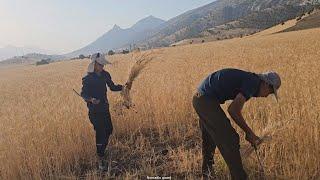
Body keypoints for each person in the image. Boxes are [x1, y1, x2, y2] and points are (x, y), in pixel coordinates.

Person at [192, 68, 281, 179]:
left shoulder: (251, 80)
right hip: (205, 100)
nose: (268, 95)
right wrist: (249, 133)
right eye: (271, 91)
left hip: (200, 98)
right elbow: (233, 110)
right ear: (266, 84)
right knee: (231, 139)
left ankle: (207, 174)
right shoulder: (253, 83)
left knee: (209, 137)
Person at [81, 53, 131, 171]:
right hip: (94, 111)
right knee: (100, 132)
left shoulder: (105, 75)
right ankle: (100, 157)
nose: (103, 66)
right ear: (94, 65)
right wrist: (91, 99)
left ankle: (102, 150)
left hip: (104, 108)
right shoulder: (87, 79)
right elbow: (83, 94)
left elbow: (112, 87)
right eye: (100, 64)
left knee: (109, 130)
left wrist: (124, 87)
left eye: (103, 64)